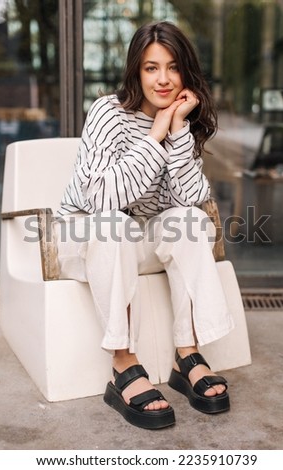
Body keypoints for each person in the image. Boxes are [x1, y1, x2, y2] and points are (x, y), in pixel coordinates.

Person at [55, 20, 234, 430]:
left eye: (173, 67)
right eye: (152, 68)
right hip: (86, 235)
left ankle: (186, 354)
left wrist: (177, 131)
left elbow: (191, 200)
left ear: (186, 72)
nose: (164, 79)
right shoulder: (108, 112)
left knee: (190, 221)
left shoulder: (180, 119)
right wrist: (153, 138)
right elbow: (101, 200)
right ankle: (122, 364)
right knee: (112, 223)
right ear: (136, 71)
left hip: (138, 237)